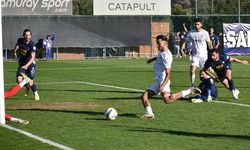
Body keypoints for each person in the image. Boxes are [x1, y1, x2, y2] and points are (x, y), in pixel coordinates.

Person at [140, 35, 201, 119]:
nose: (157, 45)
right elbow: (159, 57)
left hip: (162, 81)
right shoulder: (162, 51)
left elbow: (168, 73)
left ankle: (190, 90)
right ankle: (150, 114)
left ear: (165, 43)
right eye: (156, 43)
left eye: (158, 43)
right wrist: (153, 59)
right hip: (157, 80)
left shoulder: (166, 57)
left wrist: (162, 85)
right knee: (165, 100)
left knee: (148, 97)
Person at [180, 18, 213, 87]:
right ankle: (192, 85)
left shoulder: (205, 33)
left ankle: (210, 82)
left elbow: (209, 43)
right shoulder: (191, 33)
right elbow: (185, 41)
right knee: (192, 70)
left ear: (201, 25)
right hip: (195, 55)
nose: (196, 25)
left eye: (198, 24)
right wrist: (181, 49)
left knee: (206, 72)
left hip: (204, 56)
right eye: (195, 24)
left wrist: (213, 52)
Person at [12, 29, 40, 101]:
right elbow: (17, 45)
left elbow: (33, 57)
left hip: (30, 64)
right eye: (26, 35)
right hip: (22, 63)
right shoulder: (20, 40)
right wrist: (15, 51)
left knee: (30, 81)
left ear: (30, 36)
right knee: (18, 80)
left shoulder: (32, 45)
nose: (27, 37)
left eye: (28, 35)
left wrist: (27, 66)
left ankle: (36, 93)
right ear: (23, 35)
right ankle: (26, 87)